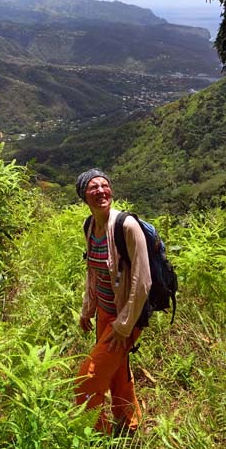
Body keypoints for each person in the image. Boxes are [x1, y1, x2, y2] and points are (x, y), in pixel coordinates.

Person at [74, 168, 151, 436]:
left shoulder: (127, 226)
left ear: (111, 190)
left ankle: (100, 435)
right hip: (105, 315)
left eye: (104, 185)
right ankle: (130, 424)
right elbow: (93, 273)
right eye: (92, 188)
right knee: (117, 371)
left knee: (86, 380)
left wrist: (124, 325)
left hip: (126, 316)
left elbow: (143, 282)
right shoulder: (89, 226)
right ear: (84, 196)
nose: (100, 191)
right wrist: (87, 311)